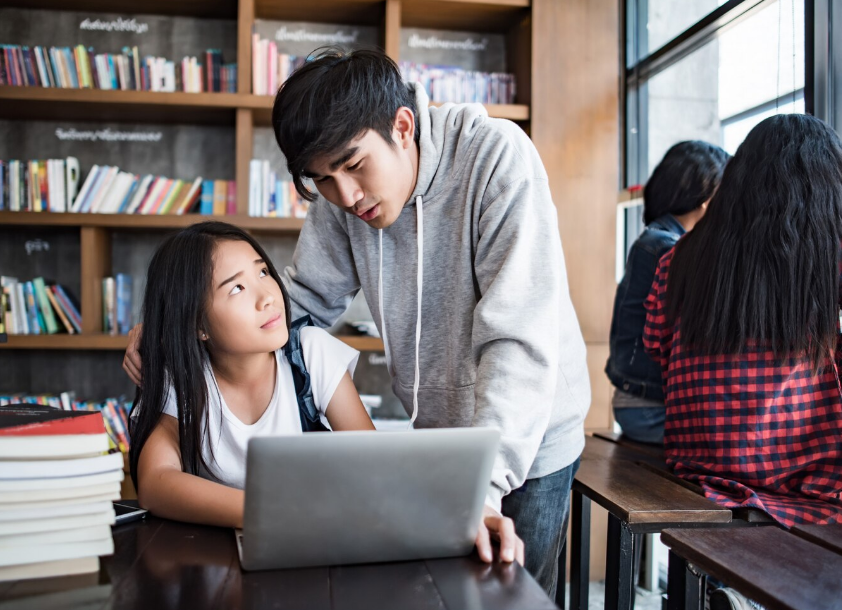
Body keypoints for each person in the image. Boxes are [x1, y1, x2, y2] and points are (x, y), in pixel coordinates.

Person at [125, 48, 590, 592]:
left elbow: (517, 339)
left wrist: (481, 491)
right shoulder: (340, 195)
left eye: (353, 166)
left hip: (527, 440)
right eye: (321, 179)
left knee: (509, 597)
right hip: (439, 440)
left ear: (402, 126)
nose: (345, 196)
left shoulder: (495, 158)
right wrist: (173, 328)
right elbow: (298, 304)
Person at [644, 114, 842, 527]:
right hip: (807, 478)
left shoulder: (677, 259)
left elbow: (655, 348)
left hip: (700, 463)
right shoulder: (827, 262)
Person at [129, 222, 375, 528]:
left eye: (263, 273)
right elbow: (155, 484)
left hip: (313, 541)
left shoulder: (311, 353)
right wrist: (274, 514)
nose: (267, 297)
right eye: (236, 288)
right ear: (197, 325)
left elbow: (374, 470)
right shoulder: (180, 376)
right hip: (219, 553)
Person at [605, 141, 730, 444]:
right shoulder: (669, 248)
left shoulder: (657, 239)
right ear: (707, 197)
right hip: (649, 409)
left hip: (638, 402)